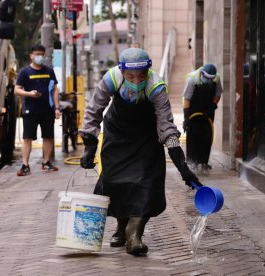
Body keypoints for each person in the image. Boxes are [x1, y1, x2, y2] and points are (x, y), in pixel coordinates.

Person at [79, 47, 202, 256]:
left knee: (147, 182)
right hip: (117, 134)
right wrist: (89, 145)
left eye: (141, 76)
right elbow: (93, 111)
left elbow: (166, 125)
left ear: (148, 72)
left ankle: (134, 234)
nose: (136, 82)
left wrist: (182, 166)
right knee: (115, 182)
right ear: (122, 71)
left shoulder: (156, 86)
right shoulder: (111, 79)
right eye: (131, 77)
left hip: (146, 137)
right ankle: (121, 227)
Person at [14, 45, 61, 176]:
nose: (40, 57)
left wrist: (57, 108)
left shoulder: (49, 72)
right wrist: (29, 93)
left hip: (47, 110)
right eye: (37, 54)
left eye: (42, 54)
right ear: (32, 56)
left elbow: (55, 90)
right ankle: (25, 165)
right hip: (30, 110)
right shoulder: (25, 72)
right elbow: (17, 89)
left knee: (48, 137)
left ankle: (46, 163)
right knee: (27, 138)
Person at [182, 64, 223, 171]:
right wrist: (186, 119)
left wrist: (212, 107)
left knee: (206, 136)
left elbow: (218, 95)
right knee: (193, 136)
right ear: (202, 74)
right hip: (193, 111)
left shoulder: (216, 79)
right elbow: (187, 99)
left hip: (208, 111)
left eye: (211, 79)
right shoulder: (192, 80)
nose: (208, 81)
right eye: (207, 78)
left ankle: (204, 161)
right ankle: (192, 162)